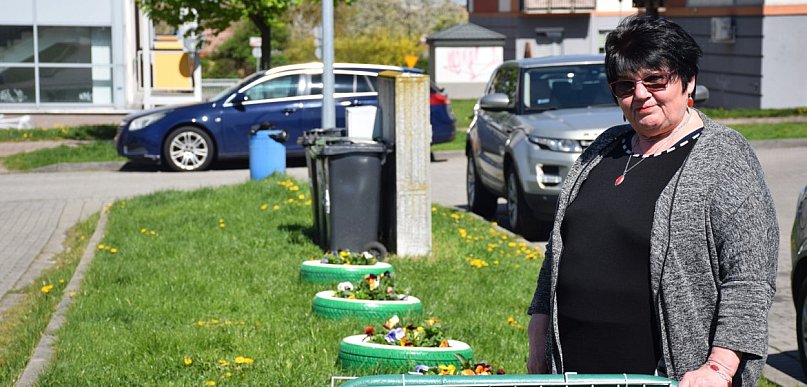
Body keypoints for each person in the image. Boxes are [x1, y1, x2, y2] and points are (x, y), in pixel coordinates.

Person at [526, 15, 778, 387]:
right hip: (573, 370)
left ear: (687, 79)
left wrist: (719, 368)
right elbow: (559, 251)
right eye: (625, 85)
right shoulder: (603, 148)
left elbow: (749, 279)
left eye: (655, 80)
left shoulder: (725, 156)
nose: (640, 94)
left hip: (671, 376)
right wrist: (539, 328)